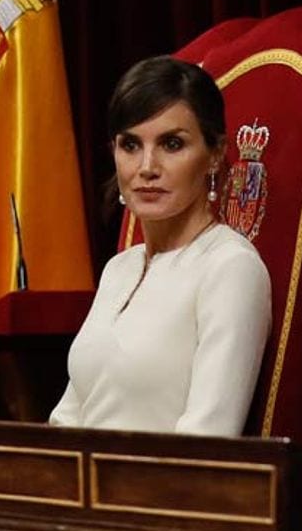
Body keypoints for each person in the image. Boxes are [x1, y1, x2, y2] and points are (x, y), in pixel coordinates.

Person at [50, 56, 271, 436]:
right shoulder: (118, 269)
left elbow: (209, 440)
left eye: (172, 144)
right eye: (130, 145)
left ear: (215, 154)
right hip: (81, 487)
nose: (147, 166)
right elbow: (68, 419)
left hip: (165, 491)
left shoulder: (231, 268)